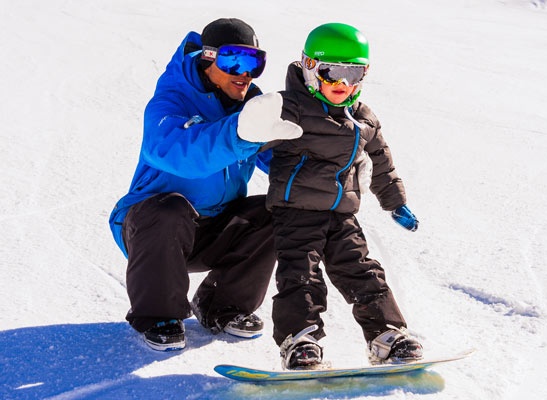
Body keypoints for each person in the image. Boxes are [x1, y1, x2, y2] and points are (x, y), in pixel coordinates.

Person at [108, 18, 302, 351]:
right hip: (150, 229)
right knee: (170, 210)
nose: (244, 73)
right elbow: (174, 152)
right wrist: (240, 133)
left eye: (254, 63)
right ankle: (157, 315)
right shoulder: (170, 100)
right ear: (207, 58)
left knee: (274, 211)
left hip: (213, 228)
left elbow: (285, 164)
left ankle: (221, 306)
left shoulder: (251, 106)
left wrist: (333, 165)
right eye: (234, 61)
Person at [265, 23, 423, 369]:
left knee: (362, 271)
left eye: (354, 73)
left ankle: (387, 335)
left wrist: (395, 202)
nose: (344, 84)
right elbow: (251, 137)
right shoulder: (289, 107)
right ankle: (300, 339)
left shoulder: (364, 117)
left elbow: (381, 162)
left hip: (342, 212)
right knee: (300, 274)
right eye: (333, 73)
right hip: (295, 211)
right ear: (309, 67)